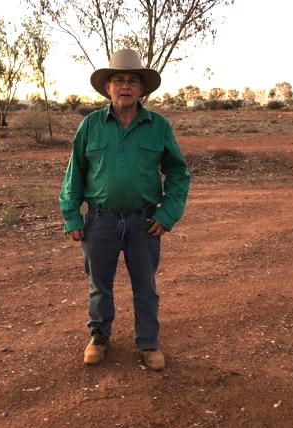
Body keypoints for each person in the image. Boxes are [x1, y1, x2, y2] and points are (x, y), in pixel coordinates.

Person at [59, 49, 191, 371]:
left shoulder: (158, 126)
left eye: (132, 80)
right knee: (99, 284)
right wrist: (72, 214)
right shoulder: (90, 126)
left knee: (145, 285)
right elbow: (74, 172)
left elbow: (178, 173)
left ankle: (148, 344)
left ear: (142, 89)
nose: (125, 86)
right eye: (118, 80)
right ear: (108, 88)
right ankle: (99, 337)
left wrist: (167, 213)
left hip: (143, 222)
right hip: (99, 221)